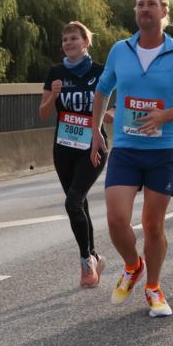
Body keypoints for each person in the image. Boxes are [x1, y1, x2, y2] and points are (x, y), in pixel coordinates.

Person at [90, 0, 173, 317]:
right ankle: (133, 265)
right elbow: (102, 90)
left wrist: (165, 115)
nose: (145, 9)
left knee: (153, 226)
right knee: (116, 219)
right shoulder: (121, 50)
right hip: (126, 148)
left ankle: (153, 288)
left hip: (162, 151)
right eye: (140, 4)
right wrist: (95, 130)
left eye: (151, 4)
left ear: (163, 11)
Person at [40, 22, 108, 288]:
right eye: (65, 40)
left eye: (74, 39)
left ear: (85, 42)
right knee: (78, 203)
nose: (68, 43)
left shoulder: (100, 72)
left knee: (73, 202)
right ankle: (95, 256)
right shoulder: (55, 73)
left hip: (93, 146)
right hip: (64, 148)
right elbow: (43, 113)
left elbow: (115, 101)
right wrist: (53, 95)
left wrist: (110, 116)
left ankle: (85, 262)